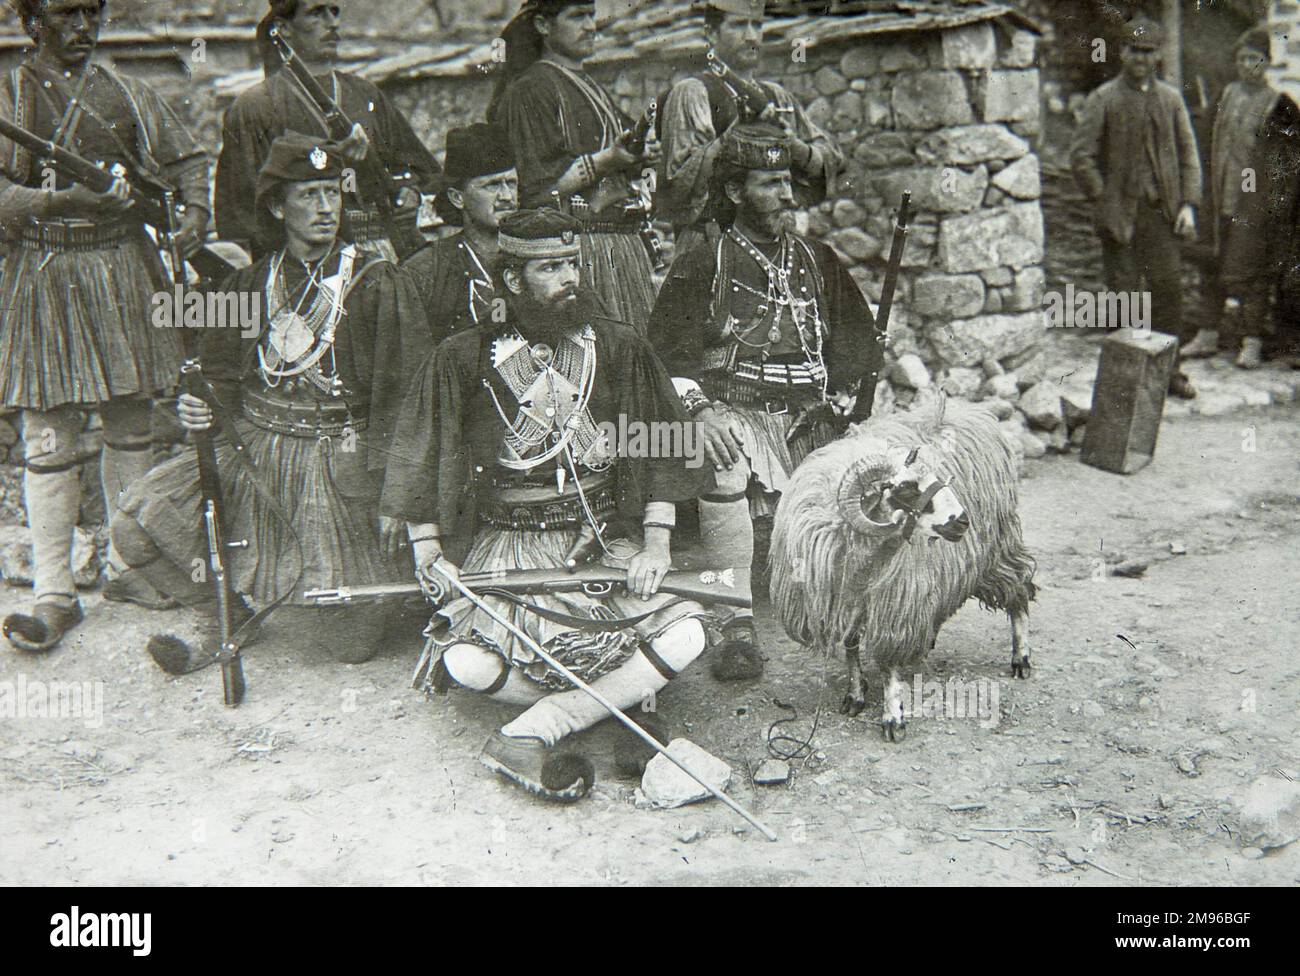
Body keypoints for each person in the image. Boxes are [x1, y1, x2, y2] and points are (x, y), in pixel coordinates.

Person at [381, 209, 713, 801]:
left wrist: (657, 541)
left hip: (601, 535)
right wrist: (428, 549)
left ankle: (539, 725)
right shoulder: (464, 357)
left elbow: (667, 440)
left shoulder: (617, 347)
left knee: (686, 634)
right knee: (466, 663)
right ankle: (616, 701)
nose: (570, 279)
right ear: (513, 281)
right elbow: (418, 453)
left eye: (573, 264)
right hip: (507, 542)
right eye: (550, 268)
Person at [109, 134, 435, 669]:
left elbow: (410, 399)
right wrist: (200, 406)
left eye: (332, 192)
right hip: (255, 449)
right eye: (308, 195)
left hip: (338, 456)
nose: (325, 208)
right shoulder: (248, 283)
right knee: (133, 528)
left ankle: (335, 587)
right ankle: (227, 611)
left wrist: (400, 495)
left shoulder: (377, 284)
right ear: (279, 206)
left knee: (347, 645)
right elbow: (214, 375)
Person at [0, 0, 210, 652]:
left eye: (91, 10)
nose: (82, 25)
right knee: (47, 427)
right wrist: (62, 199)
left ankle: (127, 568)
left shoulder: (125, 90)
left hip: (122, 265)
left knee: (131, 418)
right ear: (32, 21)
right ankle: (55, 593)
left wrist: (196, 211)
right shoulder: (10, 93)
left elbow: (189, 158)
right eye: (65, 12)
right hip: (46, 265)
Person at [647, 123, 883, 681]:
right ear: (734, 192)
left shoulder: (816, 258)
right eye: (770, 183)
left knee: (870, 482)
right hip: (734, 409)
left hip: (809, 415)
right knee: (722, 465)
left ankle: (848, 604)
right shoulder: (707, 258)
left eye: (789, 182)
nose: (787, 196)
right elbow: (664, 351)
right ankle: (735, 624)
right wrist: (701, 412)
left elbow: (857, 338)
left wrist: (848, 395)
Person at [214, 0, 440, 261]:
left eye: (334, 12)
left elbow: (424, 170)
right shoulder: (254, 107)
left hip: (382, 256)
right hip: (302, 263)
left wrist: (410, 193)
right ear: (283, 27)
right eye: (316, 13)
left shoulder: (365, 94)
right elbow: (242, 212)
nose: (333, 23)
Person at [489, 0, 659, 333]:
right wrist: (606, 160)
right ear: (542, 25)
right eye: (577, 16)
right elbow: (532, 189)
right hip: (577, 254)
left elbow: (621, 153)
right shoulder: (530, 90)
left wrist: (641, 150)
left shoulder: (589, 85)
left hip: (621, 249)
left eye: (592, 16)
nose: (591, 26)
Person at [1070, 17, 1201, 399]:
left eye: (1148, 52)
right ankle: (1126, 380)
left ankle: (1169, 372)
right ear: (1122, 53)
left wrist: (1189, 204)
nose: (1141, 59)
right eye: (1134, 51)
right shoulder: (1104, 99)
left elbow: (1189, 155)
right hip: (1120, 216)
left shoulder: (1171, 100)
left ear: (1158, 56)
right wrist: (1103, 199)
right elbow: (1081, 157)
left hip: (1161, 215)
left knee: (1168, 293)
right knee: (1124, 296)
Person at [657, 0, 841, 260]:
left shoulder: (777, 96)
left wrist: (796, 147)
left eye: (757, 24)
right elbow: (680, 186)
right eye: (739, 25)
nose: (751, 35)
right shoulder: (694, 92)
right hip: (712, 246)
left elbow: (830, 160)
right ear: (711, 33)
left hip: (777, 245)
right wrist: (731, 138)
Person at [1188, 25, 1300, 369]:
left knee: (1253, 273)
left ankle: (1251, 341)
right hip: (1219, 196)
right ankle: (1207, 335)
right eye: (1241, 58)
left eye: (1254, 58)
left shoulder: (1281, 106)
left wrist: (1274, 206)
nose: (1246, 65)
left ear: (1266, 63)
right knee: (1211, 264)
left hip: (1256, 205)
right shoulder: (1224, 98)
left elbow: (1289, 165)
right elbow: (1202, 144)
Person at [402, 123, 518, 336]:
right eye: (492, 185)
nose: (507, 197)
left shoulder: (537, 256)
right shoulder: (425, 270)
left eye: (511, 183)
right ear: (457, 197)